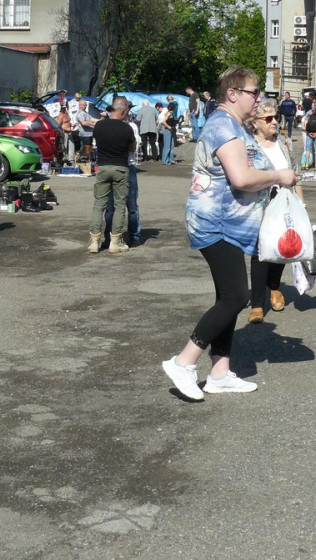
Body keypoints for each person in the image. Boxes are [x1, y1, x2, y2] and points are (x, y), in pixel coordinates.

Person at [161, 66, 299, 400]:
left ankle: (219, 373)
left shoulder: (235, 125)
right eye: (254, 92)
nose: (259, 99)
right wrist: (279, 176)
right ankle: (183, 362)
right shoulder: (223, 125)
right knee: (237, 296)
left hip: (231, 224)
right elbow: (241, 178)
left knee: (227, 297)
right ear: (233, 94)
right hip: (217, 222)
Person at [247, 98, 304, 323]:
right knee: (259, 251)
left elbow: (296, 175)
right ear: (255, 123)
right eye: (268, 118)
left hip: (284, 203)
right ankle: (257, 303)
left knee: (282, 247)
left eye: (276, 117)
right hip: (257, 205)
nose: (274, 122)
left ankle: (274, 287)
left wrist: (302, 205)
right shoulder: (248, 145)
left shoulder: (285, 143)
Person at [88, 96, 135, 253]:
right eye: (127, 112)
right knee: (120, 205)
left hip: (103, 167)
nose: (127, 115)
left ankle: (94, 241)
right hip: (120, 168)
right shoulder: (127, 129)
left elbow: (96, 143)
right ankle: (115, 242)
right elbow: (132, 149)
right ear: (122, 111)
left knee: (99, 204)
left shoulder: (99, 126)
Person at [103, 101, 142, 247]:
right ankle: (109, 237)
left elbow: (133, 148)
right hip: (115, 165)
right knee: (110, 205)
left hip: (127, 165)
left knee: (131, 204)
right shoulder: (107, 125)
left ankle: (134, 235)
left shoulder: (131, 126)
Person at [302, 100, 316, 169]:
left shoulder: (309, 112)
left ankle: (307, 165)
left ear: (314, 105)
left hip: (309, 133)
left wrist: (308, 132)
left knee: (308, 149)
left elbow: (305, 123)